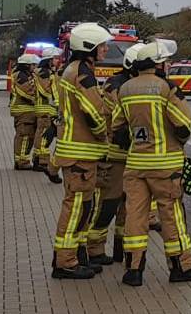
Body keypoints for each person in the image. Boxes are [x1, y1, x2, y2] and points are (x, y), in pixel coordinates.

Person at [115, 38, 191, 287]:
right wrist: (177, 142)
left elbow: (116, 128)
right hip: (166, 166)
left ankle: (133, 270)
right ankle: (182, 266)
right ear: (158, 65)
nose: (168, 65)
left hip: (135, 165)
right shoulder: (166, 89)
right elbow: (183, 124)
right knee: (172, 214)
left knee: (135, 214)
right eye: (166, 61)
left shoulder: (125, 89)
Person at [48, 23, 114, 280]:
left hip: (77, 152)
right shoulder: (82, 73)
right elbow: (94, 112)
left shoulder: (73, 70)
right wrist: (104, 136)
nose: (106, 49)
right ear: (89, 47)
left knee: (83, 206)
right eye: (102, 46)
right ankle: (65, 262)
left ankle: (75, 256)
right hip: (80, 154)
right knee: (76, 207)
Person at [84, 54, 134, 267]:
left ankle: (119, 248)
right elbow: (119, 117)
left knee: (127, 205)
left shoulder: (130, 84)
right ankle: (94, 249)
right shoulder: (115, 86)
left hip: (131, 156)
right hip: (113, 156)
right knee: (108, 203)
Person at [35, 48, 63, 183]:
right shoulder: (45, 74)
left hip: (49, 109)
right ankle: (43, 163)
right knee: (45, 136)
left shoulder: (48, 73)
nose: (57, 61)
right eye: (55, 59)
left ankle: (40, 161)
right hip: (46, 109)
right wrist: (57, 103)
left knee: (45, 135)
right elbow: (48, 91)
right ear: (49, 60)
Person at [10, 54, 42, 169]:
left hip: (28, 111)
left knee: (29, 136)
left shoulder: (28, 75)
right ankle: (21, 161)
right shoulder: (20, 76)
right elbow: (27, 91)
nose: (35, 67)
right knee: (24, 136)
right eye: (33, 65)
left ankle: (23, 159)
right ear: (27, 65)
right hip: (23, 111)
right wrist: (37, 98)